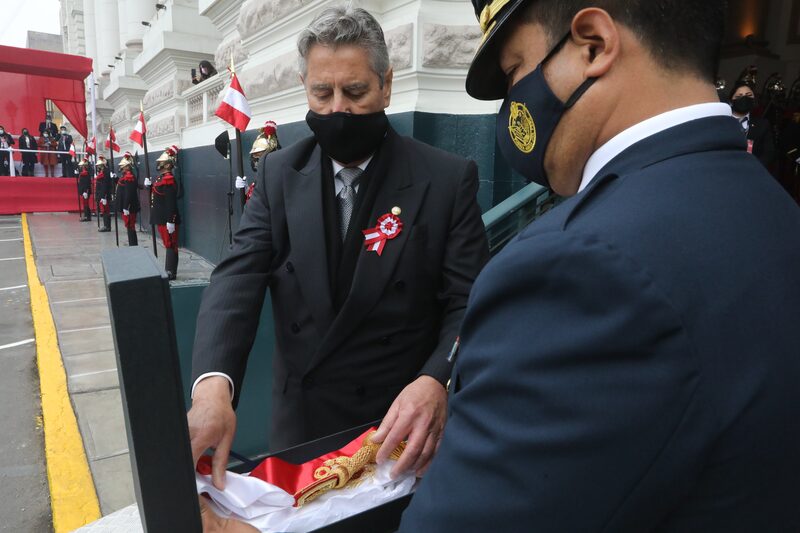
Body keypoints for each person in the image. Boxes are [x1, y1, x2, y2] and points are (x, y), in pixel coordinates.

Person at [401, 1, 800, 531]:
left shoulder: (576, 268)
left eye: (515, 71)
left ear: (592, 44)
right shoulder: (774, 207)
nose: (513, 104)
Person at [187, 4, 489, 495]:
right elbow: (236, 279)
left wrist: (439, 379)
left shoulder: (446, 179)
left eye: (355, 92)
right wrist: (212, 389)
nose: (337, 111)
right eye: (321, 93)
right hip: (302, 432)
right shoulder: (280, 175)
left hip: (399, 431)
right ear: (305, 87)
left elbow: (469, 302)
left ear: (386, 85)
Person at [149, 146, 181, 279]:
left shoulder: (168, 179)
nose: (158, 164)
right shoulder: (161, 179)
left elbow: (170, 202)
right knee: (167, 243)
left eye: (161, 163)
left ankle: (171, 271)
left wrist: (171, 220)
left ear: (168, 165)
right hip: (161, 217)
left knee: (171, 244)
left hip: (167, 218)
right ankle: (169, 269)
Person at [730, 82, 777, 169]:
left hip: (750, 171)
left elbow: (768, 152)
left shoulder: (762, 125)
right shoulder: (722, 120)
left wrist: (754, 168)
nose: (744, 98)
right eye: (739, 96)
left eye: (748, 95)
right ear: (731, 101)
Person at [236, 120, 281, 202]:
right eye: (254, 155)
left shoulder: (276, 176)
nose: (255, 159)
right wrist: (246, 190)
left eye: (258, 154)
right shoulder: (261, 177)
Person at [116, 152, 140, 246]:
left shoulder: (129, 176)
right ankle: (132, 244)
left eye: (123, 166)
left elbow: (129, 193)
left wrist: (126, 206)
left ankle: (133, 245)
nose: (121, 168)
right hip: (127, 206)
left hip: (129, 207)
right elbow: (122, 187)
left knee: (130, 225)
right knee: (129, 226)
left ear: (127, 167)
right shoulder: (125, 176)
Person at [94, 156, 112, 232]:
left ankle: (107, 226)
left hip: (104, 194)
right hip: (101, 194)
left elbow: (105, 185)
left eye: (99, 166)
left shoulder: (106, 172)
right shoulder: (102, 172)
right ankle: (106, 225)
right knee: (103, 210)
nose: (98, 167)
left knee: (105, 210)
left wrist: (103, 196)